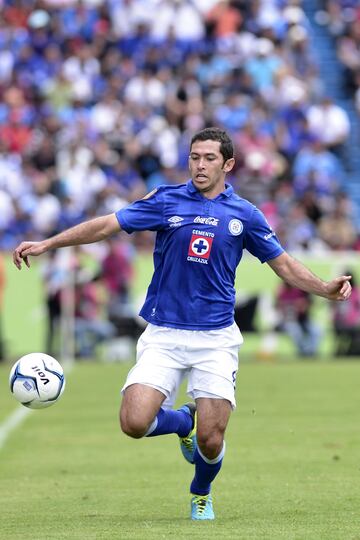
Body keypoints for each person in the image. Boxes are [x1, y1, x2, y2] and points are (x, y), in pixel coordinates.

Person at [12, 127, 352, 521]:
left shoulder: (245, 215)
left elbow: (285, 265)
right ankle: (182, 421)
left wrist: (324, 289)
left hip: (216, 339)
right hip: (164, 333)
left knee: (211, 440)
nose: (200, 165)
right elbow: (107, 225)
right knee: (134, 423)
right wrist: (48, 244)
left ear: (228, 164)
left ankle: (201, 491)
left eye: (209, 158)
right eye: (194, 157)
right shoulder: (165, 200)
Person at [275, 283, 322, 357]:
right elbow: (278, 308)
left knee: (317, 330)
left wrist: (303, 305)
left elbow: (307, 305)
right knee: (295, 331)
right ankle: (303, 352)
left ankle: (311, 351)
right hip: (288, 321)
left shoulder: (299, 291)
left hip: (303, 320)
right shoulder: (281, 292)